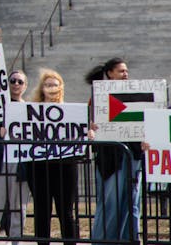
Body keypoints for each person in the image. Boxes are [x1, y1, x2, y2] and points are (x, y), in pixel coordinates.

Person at [86, 57, 141, 243]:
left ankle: (129, 239)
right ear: (110, 73)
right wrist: (91, 126)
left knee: (131, 203)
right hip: (111, 157)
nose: (125, 74)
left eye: (126, 71)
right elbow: (90, 122)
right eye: (121, 71)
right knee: (111, 202)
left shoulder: (137, 93)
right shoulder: (98, 96)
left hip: (132, 154)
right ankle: (104, 240)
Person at [27, 69, 77, 245]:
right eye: (47, 84)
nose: (51, 88)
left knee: (66, 211)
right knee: (42, 211)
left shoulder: (71, 112)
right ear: (42, 88)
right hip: (39, 166)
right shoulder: (30, 111)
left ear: (61, 87)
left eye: (55, 84)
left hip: (65, 166)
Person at [0, 69, 30, 245]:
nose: (16, 84)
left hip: (21, 161)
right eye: (13, 81)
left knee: (18, 204)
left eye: (20, 82)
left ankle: (16, 239)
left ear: (25, 86)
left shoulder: (28, 108)